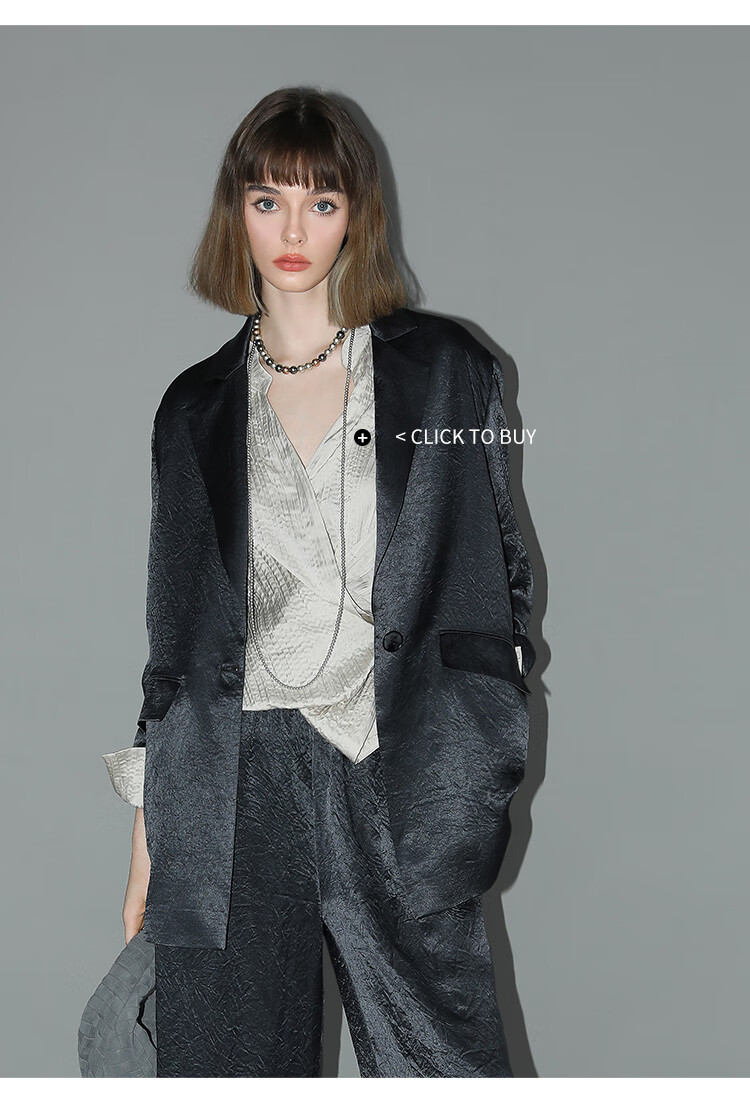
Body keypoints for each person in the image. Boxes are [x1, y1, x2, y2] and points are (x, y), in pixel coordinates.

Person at [101, 85, 536, 1078]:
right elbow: (173, 647)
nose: (293, 232)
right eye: (268, 201)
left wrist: (476, 758)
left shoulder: (447, 374)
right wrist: (150, 829)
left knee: (443, 1070)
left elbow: (500, 571)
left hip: (398, 769)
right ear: (237, 212)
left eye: (321, 202)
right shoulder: (192, 410)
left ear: (356, 214)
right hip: (230, 786)